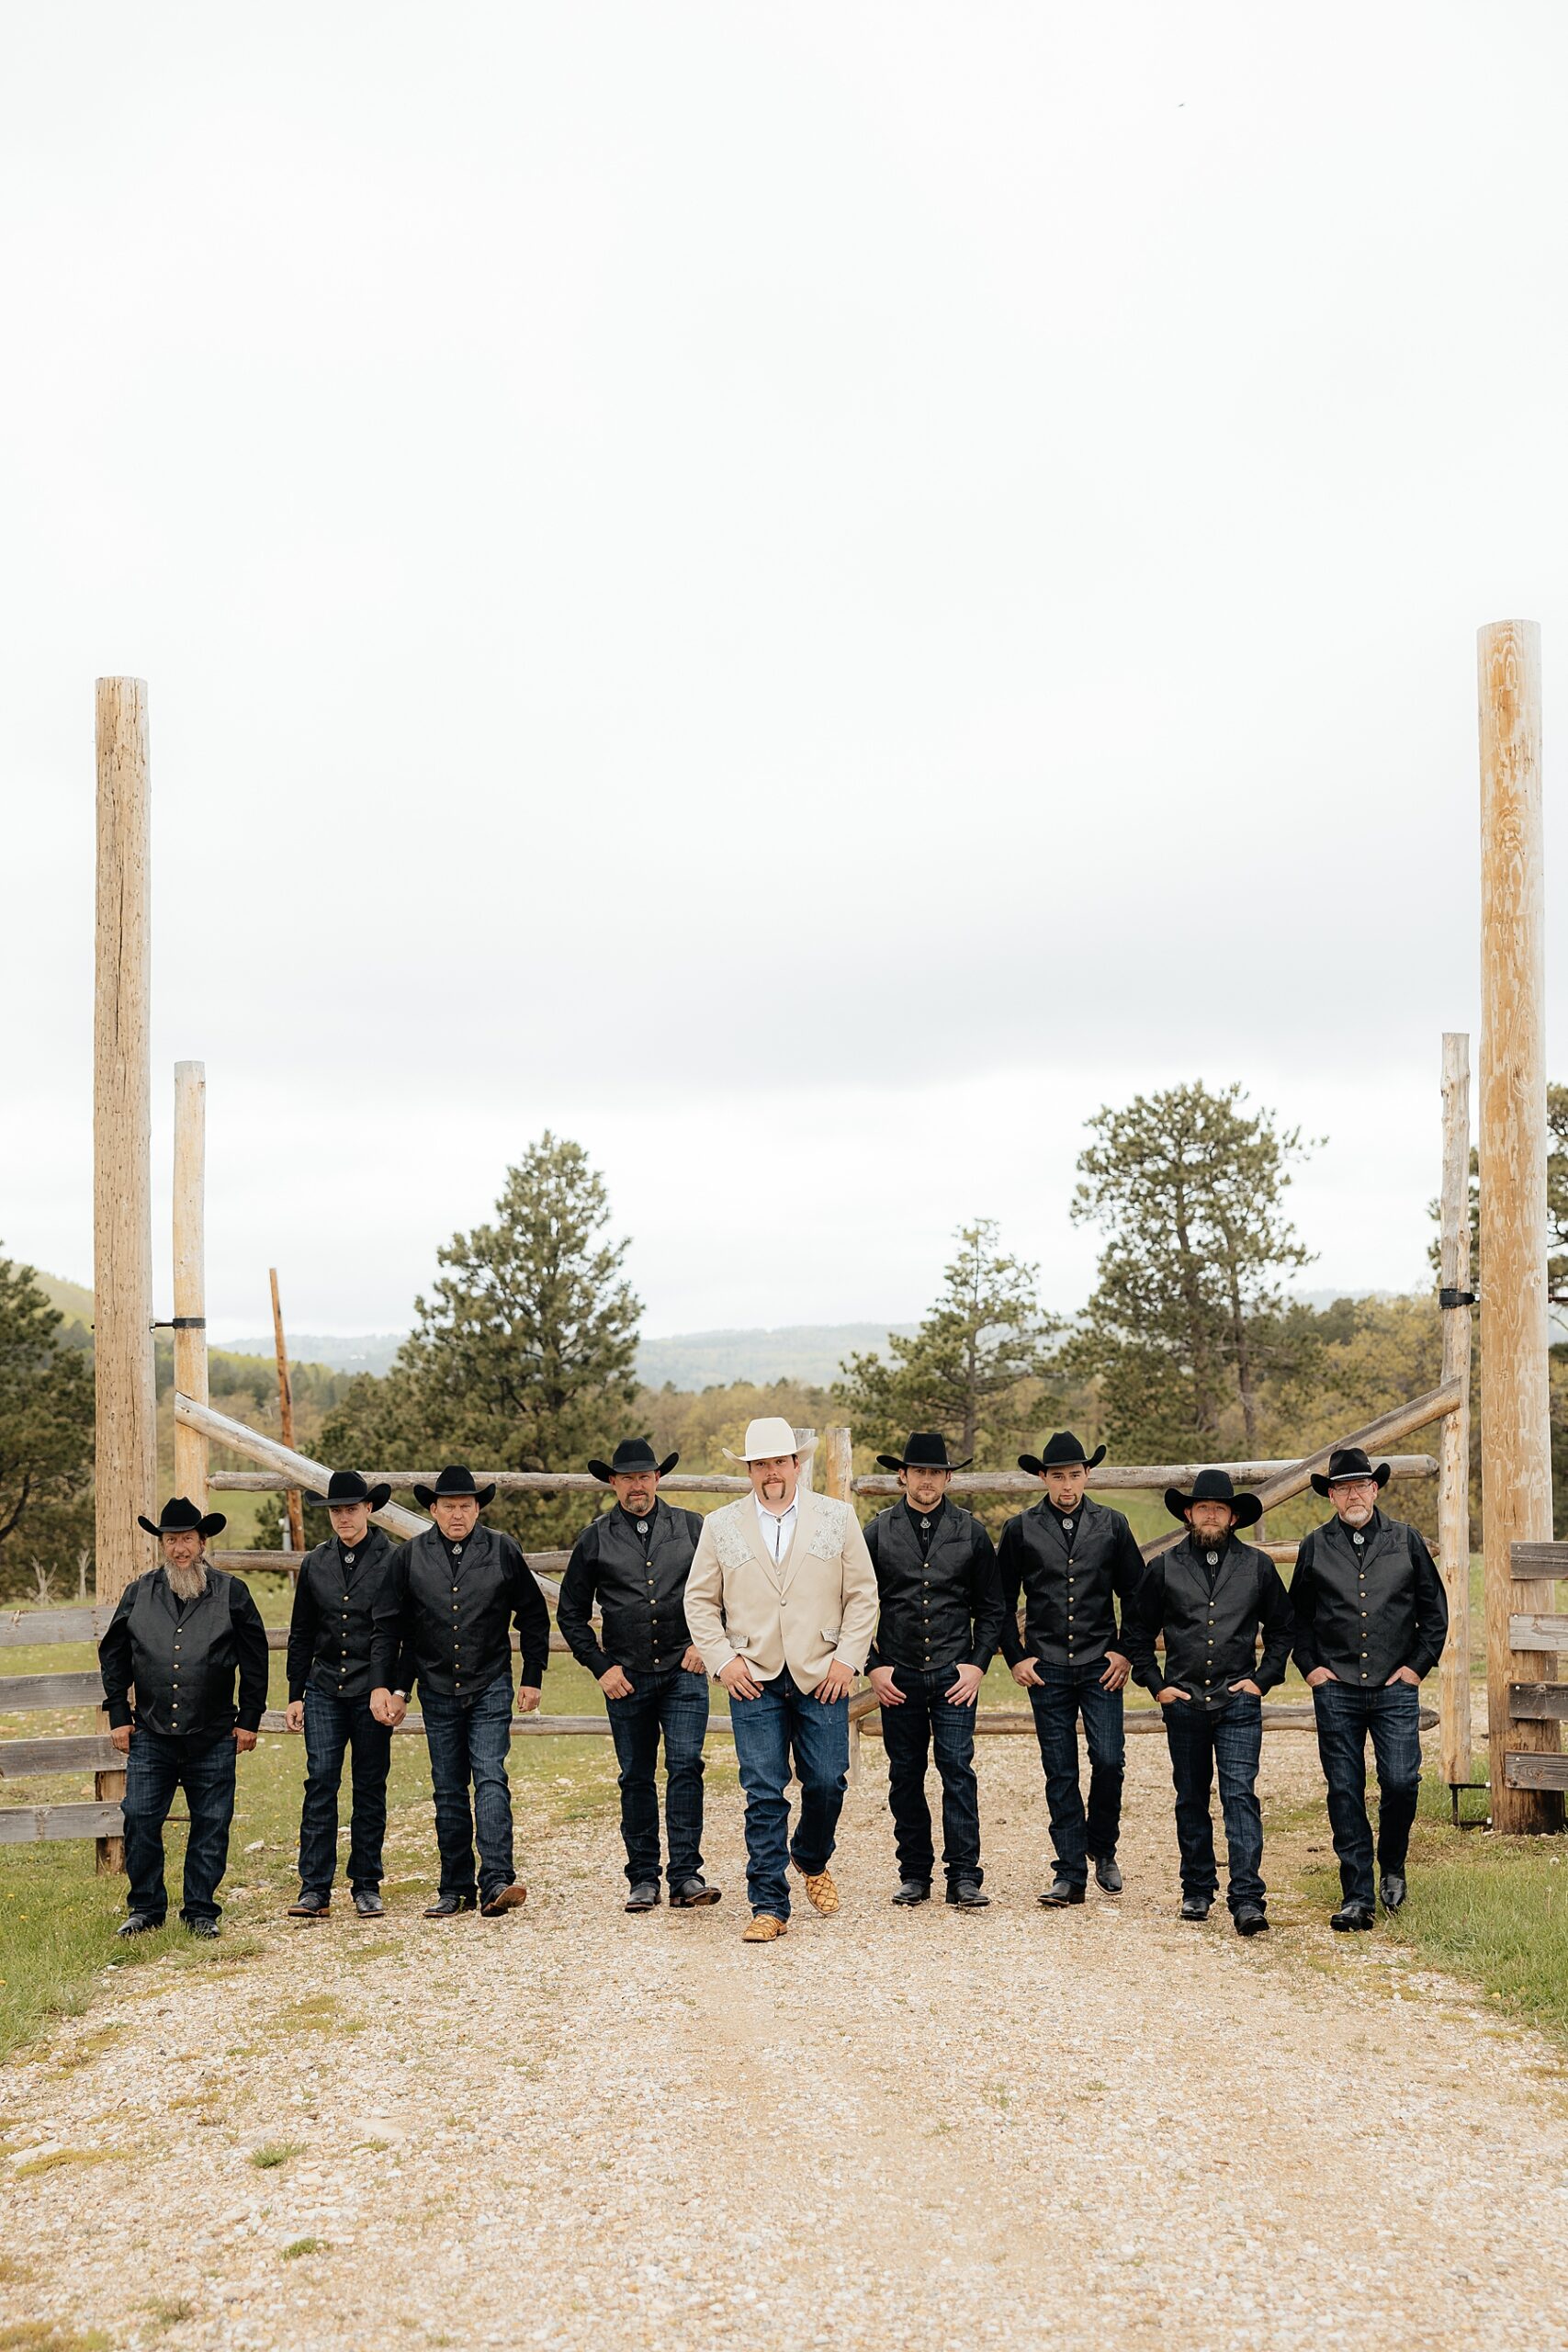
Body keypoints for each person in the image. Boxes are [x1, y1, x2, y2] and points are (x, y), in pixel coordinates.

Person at [684, 1416, 877, 1944]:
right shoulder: (720, 1525)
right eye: (761, 1464)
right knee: (763, 1791)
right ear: (749, 1470)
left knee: (826, 1780)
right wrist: (723, 1660)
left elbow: (863, 1595)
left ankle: (811, 1856)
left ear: (797, 1464)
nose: (772, 1472)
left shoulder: (837, 1518)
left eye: (780, 1461)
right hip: (753, 1676)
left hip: (823, 1673)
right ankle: (768, 1903)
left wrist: (848, 1659)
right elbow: (700, 1601)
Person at [369, 1464, 550, 1918]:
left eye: (465, 1506)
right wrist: (394, 1687)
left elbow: (532, 1615)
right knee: (448, 1788)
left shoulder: (502, 1549)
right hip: (434, 1686)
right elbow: (393, 1628)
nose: (457, 1514)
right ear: (432, 1509)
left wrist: (532, 1676)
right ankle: (454, 1887)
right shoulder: (408, 1557)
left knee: (490, 1776)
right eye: (448, 1506)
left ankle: (496, 1881)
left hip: (489, 1680)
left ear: (477, 1509)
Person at [557, 1437, 720, 1913]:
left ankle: (687, 1876)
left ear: (658, 1479)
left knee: (687, 1766)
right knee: (635, 1775)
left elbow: (728, 1590)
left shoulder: (693, 1527)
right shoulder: (595, 1538)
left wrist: (704, 1645)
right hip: (625, 1677)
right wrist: (601, 1666)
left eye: (644, 1477)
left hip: (684, 1670)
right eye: (627, 1478)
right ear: (612, 1482)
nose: (636, 1486)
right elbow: (570, 1614)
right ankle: (643, 1878)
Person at [1291, 1444, 1449, 1930]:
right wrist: (1313, 1669)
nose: (1353, 1494)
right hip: (1335, 1686)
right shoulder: (1315, 1546)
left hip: (1395, 1685)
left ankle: (1393, 1865)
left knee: (1401, 1781)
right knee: (1344, 1788)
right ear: (1332, 1496)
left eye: (1361, 1485)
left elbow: (1435, 1613)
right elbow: (1294, 1619)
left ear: (1375, 1489)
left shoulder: (1406, 1540)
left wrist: (1416, 1669)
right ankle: (1357, 1894)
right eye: (1343, 1487)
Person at [97, 1496, 269, 1939]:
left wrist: (249, 1718)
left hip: (213, 1733)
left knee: (211, 1822)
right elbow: (113, 1654)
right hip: (151, 1731)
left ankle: (200, 1911)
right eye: (171, 1539)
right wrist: (119, 1713)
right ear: (162, 1544)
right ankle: (146, 1908)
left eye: (187, 1539)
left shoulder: (232, 1592)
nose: (179, 1548)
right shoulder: (138, 1592)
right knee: (138, 1816)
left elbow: (255, 1659)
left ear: (202, 1541)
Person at [1132, 1468, 1293, 1936]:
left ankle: (1247, 1899)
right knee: (1190, 1797)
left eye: (1219, 1509)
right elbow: (1136, 1633)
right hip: (1182, 1701)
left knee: (1240, 1795)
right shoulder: (1163, 1567)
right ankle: (1197, 1889)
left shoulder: (1258, 1566)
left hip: (1237, 1700)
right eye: (1202, 1507)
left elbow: (1283, 1629)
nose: (1210, 1515)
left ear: (1233, 1517)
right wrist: (1156, 1684)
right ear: (1188, 1513)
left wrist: (1263, 1679)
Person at [998, 1431, 1145, 1907]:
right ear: (1043, 1477)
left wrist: (1125, 1650)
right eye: (1057, 1476)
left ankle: (1102, 1848)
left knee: (1109, 1761)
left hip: (1102, 1663)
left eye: (1075, 1475)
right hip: (1047, 1667)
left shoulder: (1112, 1524)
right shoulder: (1020, 1528)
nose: (1067, 1486)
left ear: (1087, 1476)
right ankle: (1069, 1872)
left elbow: (1137, 1596)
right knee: (1059, 1770)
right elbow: (999, 1601)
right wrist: (1016, 1655)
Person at [863, 1432, 1003, 1908]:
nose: (927, 1480)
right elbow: (854, 1605)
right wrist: (873, 1667)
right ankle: (914, 1873)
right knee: (905, 1774)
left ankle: (964, 1875)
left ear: (947, 1478)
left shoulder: (972, 1531)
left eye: (936, 1473)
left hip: (953, 1674)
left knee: (957, 1770)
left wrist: (978, 1665)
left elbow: (992, 1607)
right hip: (897, 1675)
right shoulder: (878, 1532)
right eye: (918, 1472)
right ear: (902, 1475)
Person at [284, 1470, 400, 1922]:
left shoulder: (393, 1560)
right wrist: (296, 1693)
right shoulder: (315, 1563)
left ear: (369, 1509)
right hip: (324, 1687)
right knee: (320, 1784)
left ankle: (366, 1884)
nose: (343, 1518)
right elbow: (301, 1632)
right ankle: (315, 1888)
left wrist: (387, 1686)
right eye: (336, 1511)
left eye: (351, 1509)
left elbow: (395, 1631)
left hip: (371, 1690)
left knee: (369, 1785)